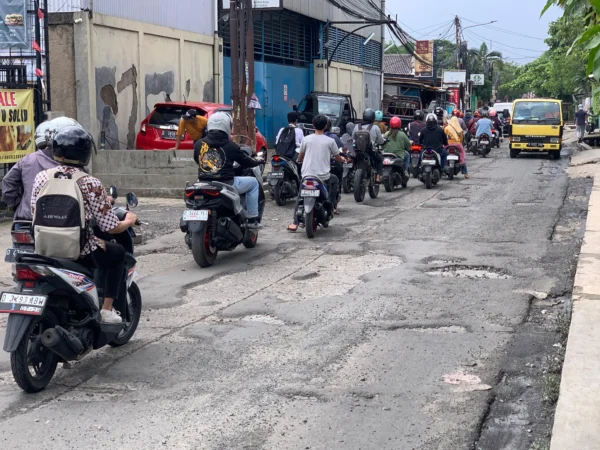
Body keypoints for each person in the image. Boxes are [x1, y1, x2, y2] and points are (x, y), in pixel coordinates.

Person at [31, 126, 137, 324]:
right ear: (85, 154)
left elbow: (33, 212)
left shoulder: (41, 177)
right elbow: (110, 228)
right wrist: (129, 220)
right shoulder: (90, 182)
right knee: (118, 253)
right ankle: (106, 309)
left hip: (43, 246)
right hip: (80, 249)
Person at [2, 117, 82, 221]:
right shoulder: (75, 164)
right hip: (65, 221)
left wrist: (17, 205)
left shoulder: (28, 160)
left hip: (27, 218)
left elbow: (8, 183)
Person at [194, 112, 263, 228]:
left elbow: (198, 160)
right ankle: (252, 218)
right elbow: (246, 162)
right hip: (226, 183)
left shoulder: (199, 144)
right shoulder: (231, 146)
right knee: (253, 183)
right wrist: (258, 160)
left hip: (203, 183)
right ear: (227, 126)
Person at [287, 115, 347, 232]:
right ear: (326, 126)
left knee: (300, 196)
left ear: (313, 125)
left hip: (307, 175)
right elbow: (338, 157)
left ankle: (295, 222)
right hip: (323, 176)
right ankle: (331, 204)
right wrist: (343, 160)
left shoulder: (306, 139)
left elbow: (300, 156)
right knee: (334, 180)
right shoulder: (330, 141)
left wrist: (299, 160)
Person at [353, 108, 385, 183]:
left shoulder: (356, 127)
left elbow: (353, 138)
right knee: (380, 160)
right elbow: (380, 141)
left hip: (358, 151)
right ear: (373, 118)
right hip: (370, 151)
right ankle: (377, 178)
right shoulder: (375, 128)